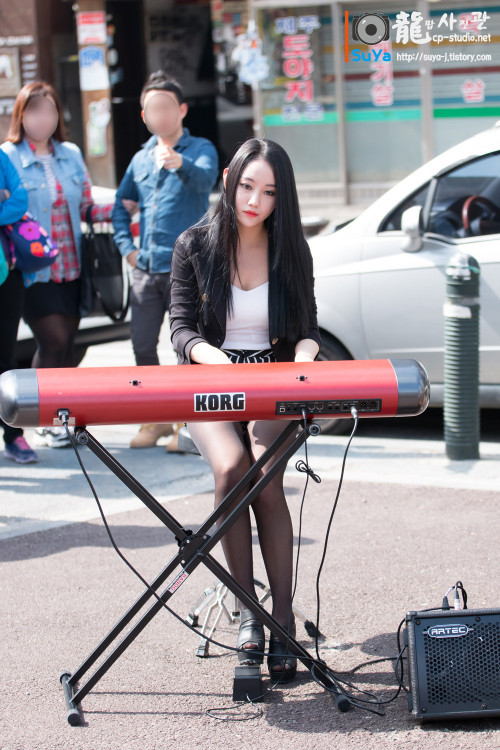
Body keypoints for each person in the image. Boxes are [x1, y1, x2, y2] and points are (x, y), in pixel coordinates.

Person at [169, 138, 320, 682]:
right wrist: (218, 363)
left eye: (270, 192)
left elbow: (307, 330)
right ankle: (246, 621)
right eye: (248, 185)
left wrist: (303, 362)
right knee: (232, 469)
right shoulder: (194, 244)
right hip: (211, 379)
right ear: (230, 177)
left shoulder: (292, 249)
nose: (254, 200)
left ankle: (280, 619)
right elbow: (181, 328)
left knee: (266, 476)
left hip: (273, 381)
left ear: (284, 198)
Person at [1, 81, 115, 448]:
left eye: (49, 110)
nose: (43, 118)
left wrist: (120, 208)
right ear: (21, 115)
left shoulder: (70, 153)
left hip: (72, 263)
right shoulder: (9, 155)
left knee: (67, 346)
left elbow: (84, 205)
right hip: (32, 266)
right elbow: (13, 207)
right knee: (53, 340)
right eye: (34, 110)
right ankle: (41, 419)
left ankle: (59, 417)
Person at [112, 71, 218, 450]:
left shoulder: (200, 148)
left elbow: (207, 181)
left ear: (182, 109)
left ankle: (190, 424)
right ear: (144, 115)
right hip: (146, 268)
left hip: (190, 269)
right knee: (142, 345)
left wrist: (178, 163)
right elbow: (119, 208)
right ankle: (155, 416)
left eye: (166, 107)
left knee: (188, 345)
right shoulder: (140, 159)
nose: (159, 114)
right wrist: (127, 248)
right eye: (152, 109)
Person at [0, 149, 38, 463]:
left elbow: (20, 201)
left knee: (6, 357)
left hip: (6, 273)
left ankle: (13, 435)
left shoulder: (1, 157)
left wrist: (8, 199)